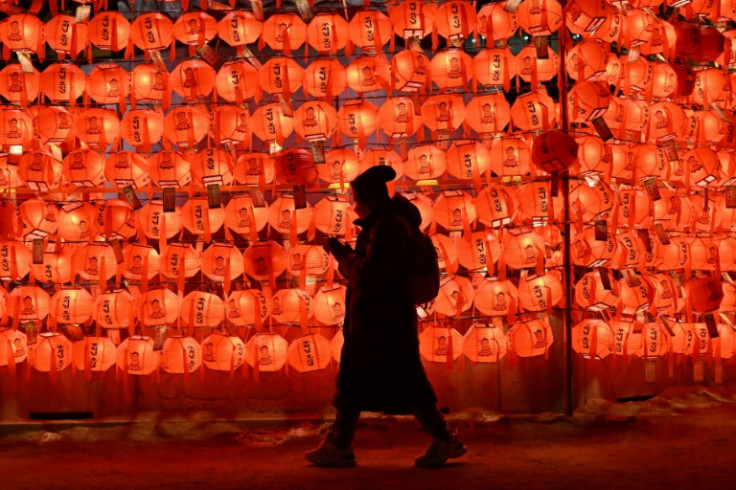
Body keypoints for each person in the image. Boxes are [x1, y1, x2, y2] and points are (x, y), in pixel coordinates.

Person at [306, 165, 466, 468]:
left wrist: (345, 258)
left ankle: (444, 438)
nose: (353, 205)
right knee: (359, 383)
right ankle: (340, 443)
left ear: (369, 199)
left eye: (355, 198)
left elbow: (376, 275)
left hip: (381, 319)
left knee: (401, 382)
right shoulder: (385, 223)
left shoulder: (388, 227)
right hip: (377, 317)